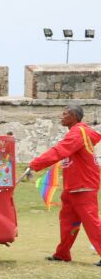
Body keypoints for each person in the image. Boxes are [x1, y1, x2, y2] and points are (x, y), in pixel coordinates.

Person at [25, 105, 101, 264]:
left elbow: (59, 151)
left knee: (91, 223)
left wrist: (35, 164)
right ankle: (62, 254)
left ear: (74, 116)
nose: (61, 116)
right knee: (67, 222)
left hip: (83, 186)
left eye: (65, 114)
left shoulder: (78, 133)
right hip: (73, 187)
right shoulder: (79, 132)